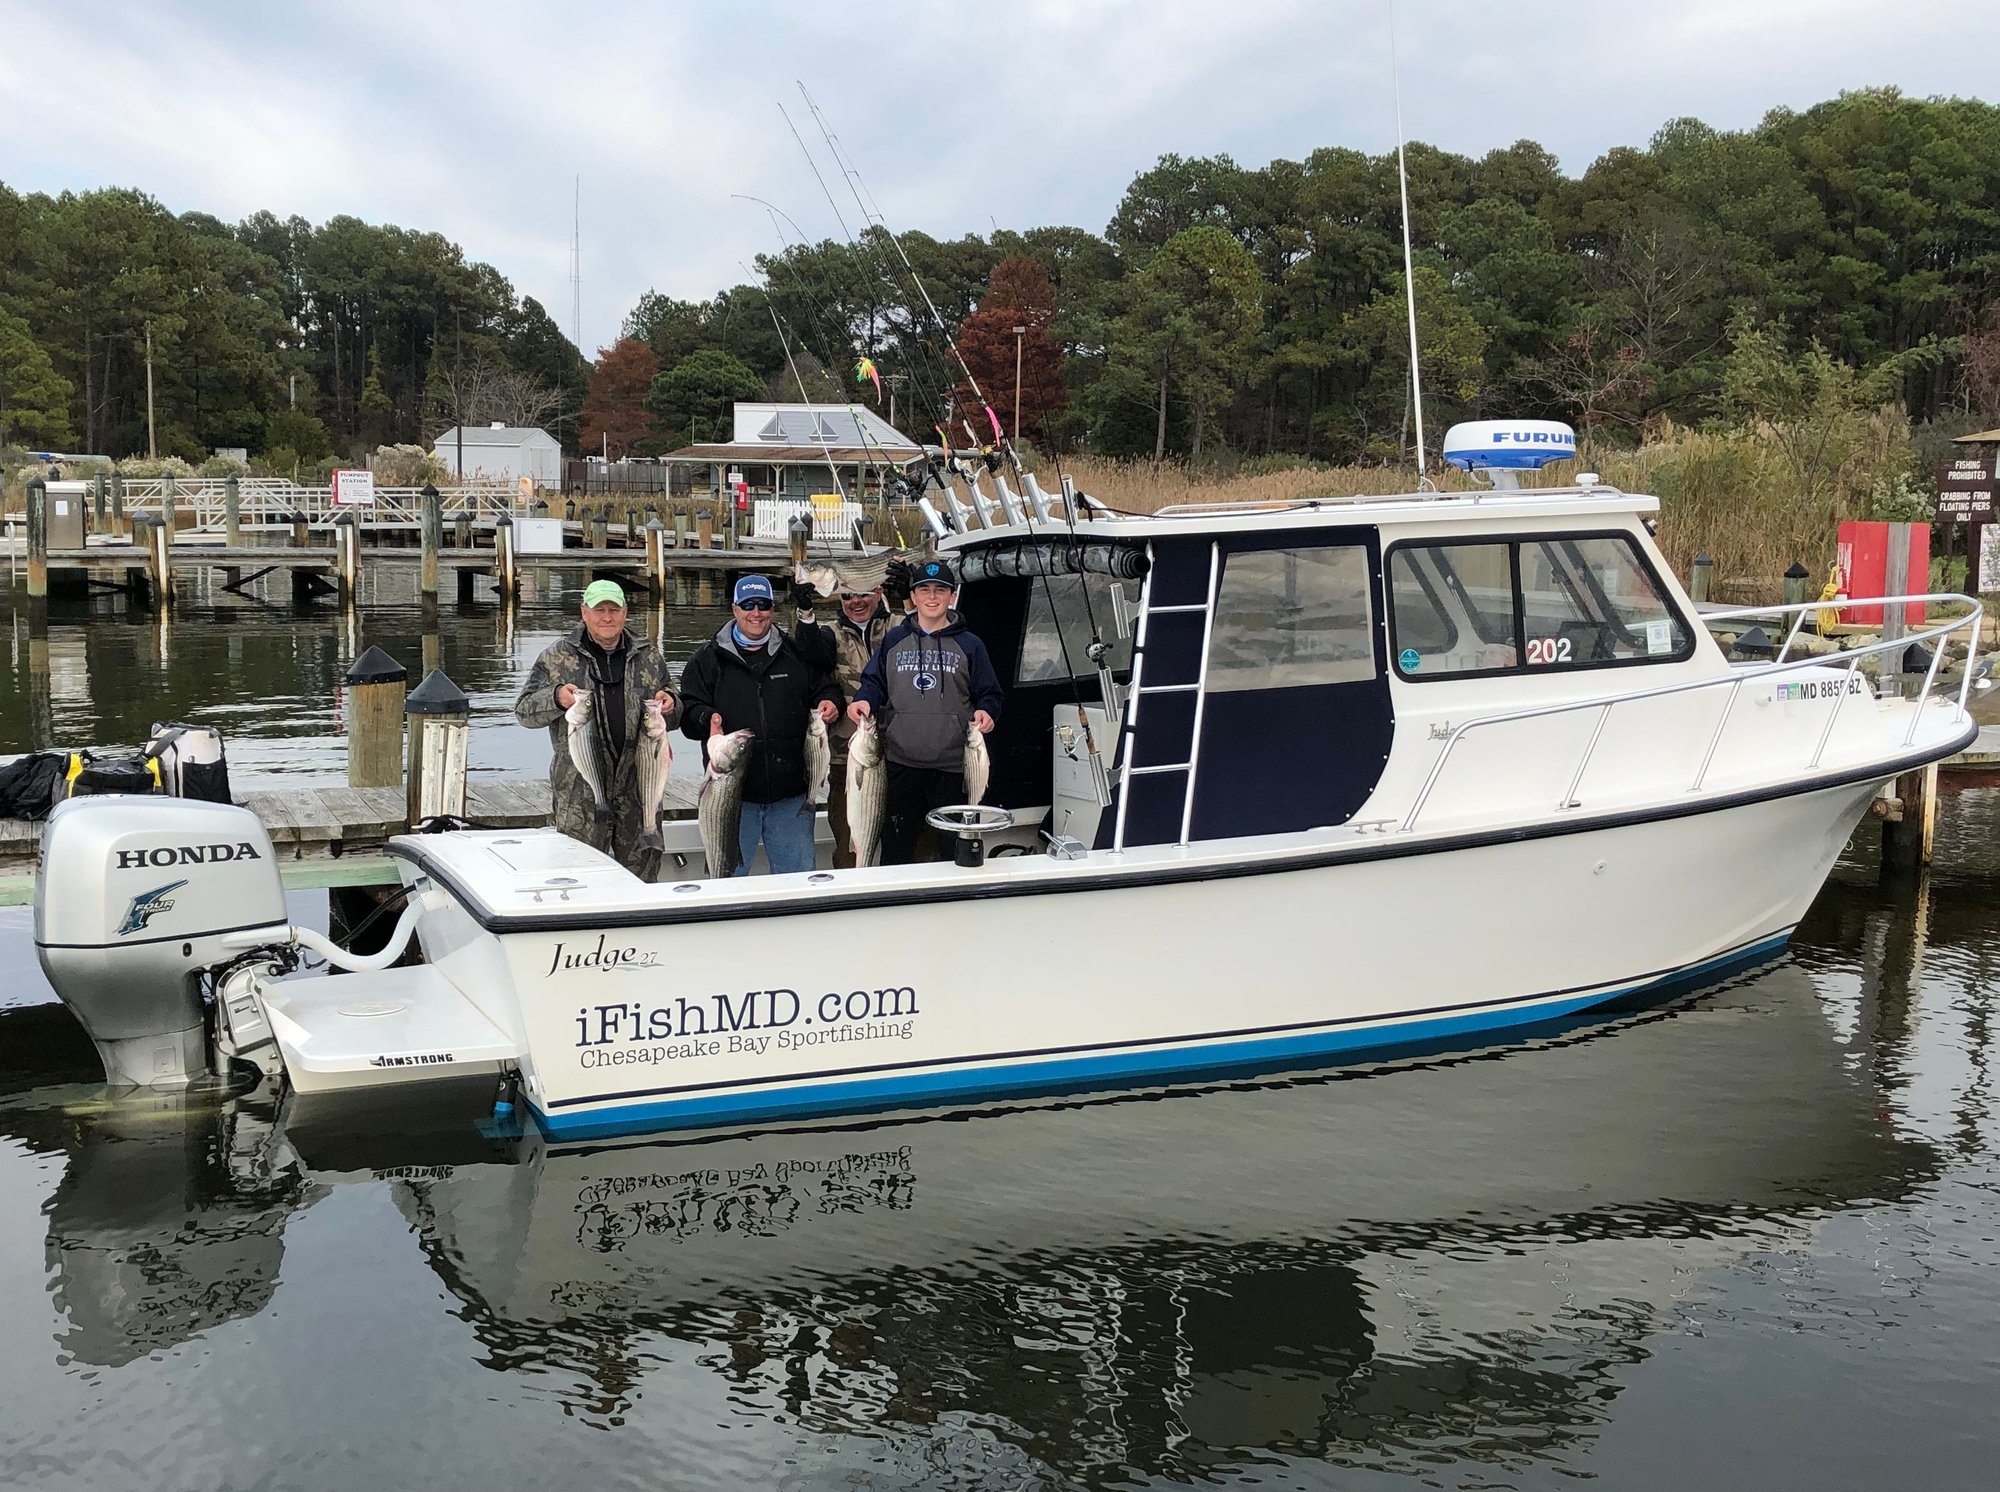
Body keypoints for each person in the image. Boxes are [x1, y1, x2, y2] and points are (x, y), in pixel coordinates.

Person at [679, 574, 842, 875]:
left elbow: (825, 687)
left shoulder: (795, 653)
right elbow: (687, 713)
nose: (756, 613)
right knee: (726, 882)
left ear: (773, 609)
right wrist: (706, 718)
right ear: (734, 609)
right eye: (748, 605)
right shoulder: (707, 658)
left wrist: (831, 702)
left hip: (791, 798)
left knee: (799, 887)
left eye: (764, 605)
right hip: (731, 800)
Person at [514, 579, 676, 879]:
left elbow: (674, 707)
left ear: (625, 612)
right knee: (580, 878)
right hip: (580, 793)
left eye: (613, 609)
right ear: (583, 612)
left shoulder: (649, 655)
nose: (607, 617)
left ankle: (638, 925)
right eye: (599, 609)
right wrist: (555, 698)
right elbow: (524, 711)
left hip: (638, 787)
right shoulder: (556, 657)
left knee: (643, 878)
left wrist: (671, 704)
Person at [848, 558, 1003, 865]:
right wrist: (864, 700)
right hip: (899, 766)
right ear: (915, 597)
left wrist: (987, 711)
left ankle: (955, 907)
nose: (932, 597)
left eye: (940, 591)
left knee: (952, 851)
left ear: (952, 597)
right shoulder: (894, 640)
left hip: (953, 769)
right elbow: (872, 681)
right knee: (895, 849)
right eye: (925, 590)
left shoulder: (970, 645)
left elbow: (990, 693)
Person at [791, 563, 906, 868]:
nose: (856, 602)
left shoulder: (899, 627)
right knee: (849, 845)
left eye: (864, 594)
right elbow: (808, 653)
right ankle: (851, 893)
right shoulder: (830, 634)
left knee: (909, 841)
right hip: (847, 759)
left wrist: (908, 596)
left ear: (878, 593)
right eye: (847, 596)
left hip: (904, 758)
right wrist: (805, 610)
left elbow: (930, 631)